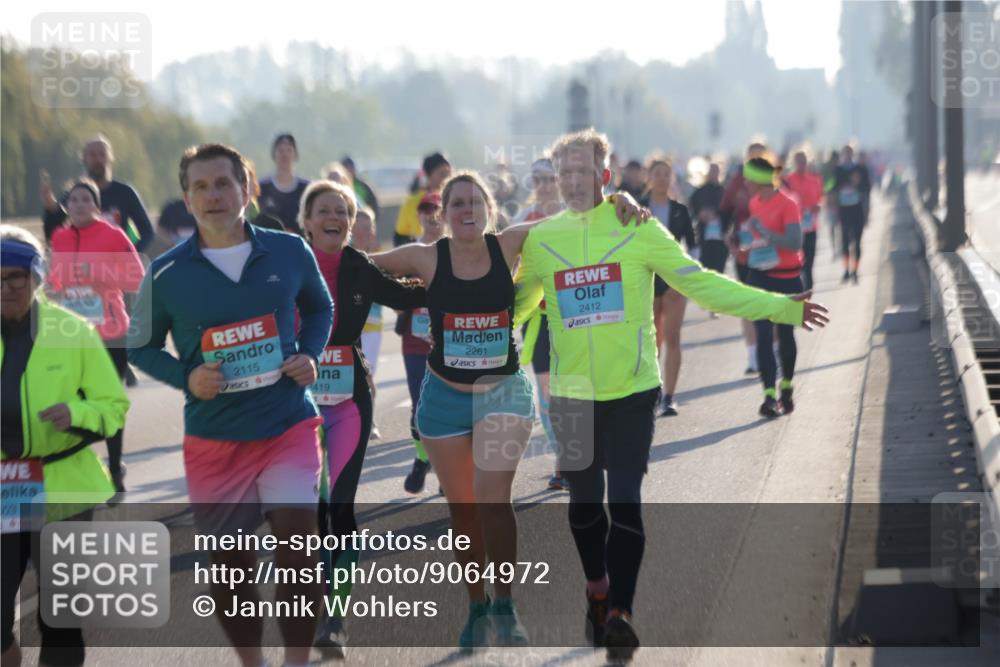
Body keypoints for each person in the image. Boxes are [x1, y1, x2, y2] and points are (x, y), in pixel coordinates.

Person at [514, 128, 829, 662]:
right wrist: (465, 351)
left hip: (634, 390)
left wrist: (781, 307)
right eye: (562, 171)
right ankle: (597, 591)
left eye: (581, 170)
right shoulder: (541, 241)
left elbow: (702, 282)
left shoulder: (638, 228)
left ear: (604, 176)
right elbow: (514, 312)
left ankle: (621, 614)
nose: (570, 180)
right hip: (572, 395)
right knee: (585, 510)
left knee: (627, 502)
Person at [371, 171, 647, 651]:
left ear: (490, 208)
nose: (466, 210)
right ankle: (477, 605)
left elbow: (577, 221)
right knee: (462, 510)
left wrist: (618, 198)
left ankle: (505, 603)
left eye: (475, 201)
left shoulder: (511, 243)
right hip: (443, 399)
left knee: (491, 496)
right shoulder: (424, 257)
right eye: (457, 203)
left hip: (502, 393)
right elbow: (354, 265)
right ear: (445, 213)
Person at [128, 143, 333, 667]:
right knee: (229, 568)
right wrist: (185, 375)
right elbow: (140, 345)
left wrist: (309, 354)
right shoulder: (167, 273)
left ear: (247, 189)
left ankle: (297, 661)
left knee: (299, 554)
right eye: (201, 187)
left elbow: (319, 306)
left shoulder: (289, 252)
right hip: (215, 437)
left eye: (223, 183)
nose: (213, 195)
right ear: (186, 199)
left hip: (286, 422)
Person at [297, 180, 426, 658]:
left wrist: (461, 280)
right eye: (324, 210)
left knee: (340, 509)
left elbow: (405, 296)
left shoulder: (357, 265)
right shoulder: (287, 263)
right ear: (307, 221)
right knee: (305, 513)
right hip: (294, 403)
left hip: (349, 399)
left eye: (343, 212)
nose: (334, 218)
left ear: (352, 225)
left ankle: (335, 617)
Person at [1, 225, 130, 667]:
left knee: (60, 617)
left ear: (36, 276)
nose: (5, 286)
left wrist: (76, 415)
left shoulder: (73, 331)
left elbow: (113, 407)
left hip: (65, 485)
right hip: (3, 486)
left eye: (15, 276)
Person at [47, 179, 145, 494]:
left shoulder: (112, 235)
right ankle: (83, 463)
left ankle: (115, 468)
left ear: (97, 206)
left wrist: (100, 274)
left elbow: (136, 280)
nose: (79, 204)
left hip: (111, 333)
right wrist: (52, 288)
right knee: (76, 403)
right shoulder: (59, 238)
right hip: (71, 334)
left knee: (108, 402)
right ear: (66, 206)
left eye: (86, 199)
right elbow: (54, 279)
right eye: (73, 199)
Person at [742, 153, 809, 417]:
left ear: (759, 180)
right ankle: (768, 396)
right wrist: (747, 247)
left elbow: (794, 243)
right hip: (760, 276)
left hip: (789, 277)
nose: (745, 183)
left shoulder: (788, 204)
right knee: (763, 336)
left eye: (749, 178)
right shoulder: (754, 203)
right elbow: (762, 239)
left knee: (786, 335)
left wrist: (765, 232)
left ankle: (787, 388)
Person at [514, 158, 565, 489]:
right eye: (538, 180)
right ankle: (564, 462)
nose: (543, 185)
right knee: (547, 392)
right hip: (537, 317)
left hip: (573, 316)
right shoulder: (522, 219)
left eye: (549, 179)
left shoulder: (575, 217)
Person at [396, 192, 444, 494]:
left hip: (448, 341)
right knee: (419, 405)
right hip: (415, 340)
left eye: (435, 209)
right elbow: (390, 286)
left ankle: (443, 471)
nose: (430, 215)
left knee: (445, 407)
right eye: (424, 210)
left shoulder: (454, 249)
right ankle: (422, 458)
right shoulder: (409, 251)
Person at [640, 159, 695, 417]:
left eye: (666, 174)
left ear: (672, 178)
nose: (662, 178)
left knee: (673, 337)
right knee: (653, 339)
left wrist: (689, 274)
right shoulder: (638, 208)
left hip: (673, 281)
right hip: (647, 280)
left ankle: (670, 397)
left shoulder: (680, 210)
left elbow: (693, 246)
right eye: (657, 174)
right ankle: (654, 391)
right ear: (649, 178)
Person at [40, 135, 155, 253]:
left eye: (102, 154)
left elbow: (147, 232)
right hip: (83, 265)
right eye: (92, 155)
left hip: (116, 267)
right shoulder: (75, 194)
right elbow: (53, 235)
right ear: (83, 159)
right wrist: (51, 207)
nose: (98, 159)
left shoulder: (125, 193)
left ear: (110, 158)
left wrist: (129, 254)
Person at [720, 142, 768, 375]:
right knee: (747, 302)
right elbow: (725, 211)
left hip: (770, 250)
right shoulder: (738, 182)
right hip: (743, 250)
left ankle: (772, 351)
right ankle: (752, 357)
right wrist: (728, 238)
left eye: (760, 155)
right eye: (753, 155)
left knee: (770, 300)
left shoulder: (775, 179)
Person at [352, 207, 384, 439]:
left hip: (371, 328)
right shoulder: (342, 256)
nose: (362, 232)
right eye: (358, 227)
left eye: (367, 227)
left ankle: (370, 420)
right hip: (347, 328)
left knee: (367, 375)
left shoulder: (380, 260)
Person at [785, 151, 824, 291]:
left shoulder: (815, 180)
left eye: (804, 161)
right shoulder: (788, 181)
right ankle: (800, 292)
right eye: (799, 161)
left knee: (809, 263)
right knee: (798, 264)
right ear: (794, 163)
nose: (801, 164)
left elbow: (820, 199)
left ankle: (809, 292)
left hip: (811, 227)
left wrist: (818, 206)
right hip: (795, 228)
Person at [394, 152, 451, 246]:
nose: (447, 178)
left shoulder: (453, 198)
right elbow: (400, 236)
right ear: (429, 175)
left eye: (449, 173)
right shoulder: (413, 202)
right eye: (442, 174)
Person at [258, 133, 309, 235]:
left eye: (289, 150)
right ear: (274, 154)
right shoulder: (262, 187)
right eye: (280, 150)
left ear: (295, 155)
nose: (284, 155)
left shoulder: (306, 188)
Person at [833, 145, 870, 284]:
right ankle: (846, 270)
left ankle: (855, 271)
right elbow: (833, 187)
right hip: (844, 210)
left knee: (857, 243)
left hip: (857, 209)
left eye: (849, 153)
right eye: (845, 153)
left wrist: (857, 185)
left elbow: (867, 189)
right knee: (845, 242)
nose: (847, 155)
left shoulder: (860, 169)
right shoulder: (838, 170)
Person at [689, 162, 729, 277]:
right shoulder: (699, 192)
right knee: (705, 270)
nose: (714, 174)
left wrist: (717, 214)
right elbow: (692, 208)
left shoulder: (724, 192)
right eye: (711, 171)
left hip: (720, 240)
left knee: (719, 272)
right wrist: (701, 214)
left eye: (716, 171)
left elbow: (730, 212)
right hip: (704, 238)